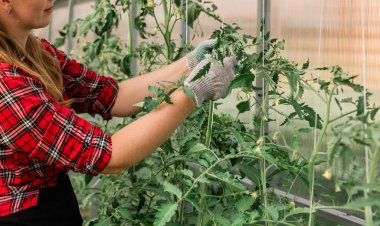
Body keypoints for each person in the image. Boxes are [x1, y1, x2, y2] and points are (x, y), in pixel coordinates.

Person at [0, 0, 237, 225]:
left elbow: (112, 95)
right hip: (23, 216)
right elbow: (110, 157)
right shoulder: (6, 86)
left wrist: (191, 63)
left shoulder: (38, 54)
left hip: (52, 202)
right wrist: (193, 92)